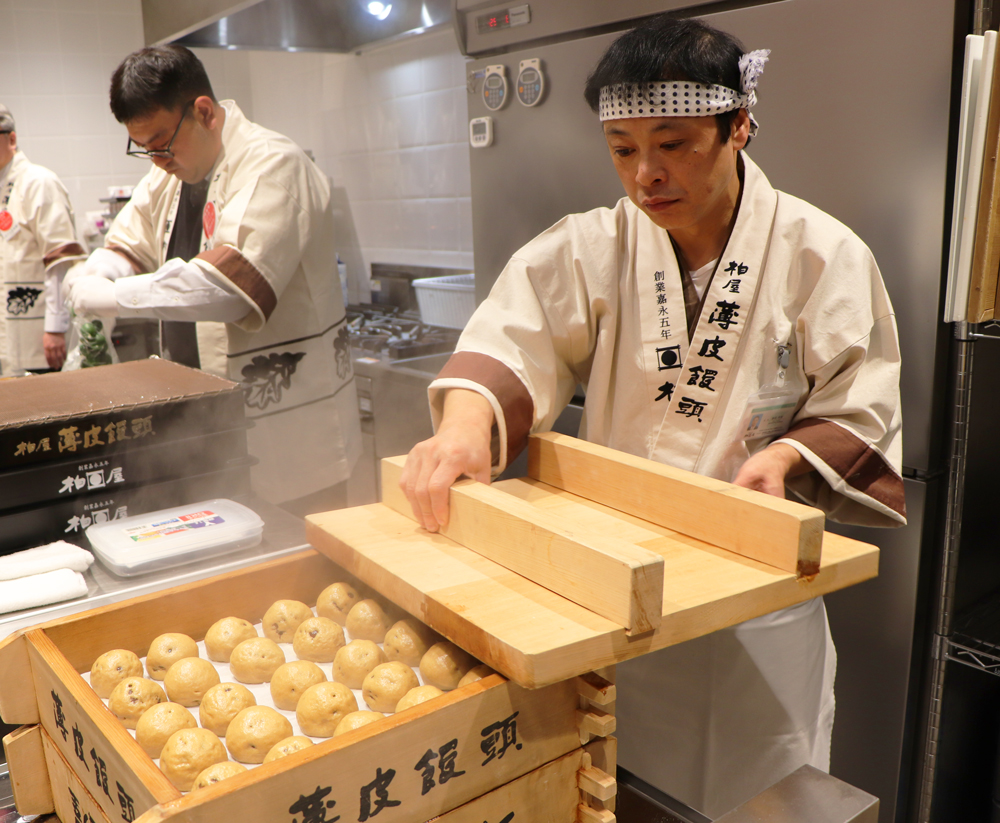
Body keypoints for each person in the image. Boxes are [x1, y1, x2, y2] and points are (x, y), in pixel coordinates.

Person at [400, 15, 906, 817]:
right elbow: (512, 332)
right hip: (614, 594)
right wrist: (463, 424)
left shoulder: (822, 253)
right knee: (618, 787)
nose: (646, 175)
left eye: (673, 144)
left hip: (755, 607)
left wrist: (786, 459)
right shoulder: (594, 246)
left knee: (763, 798)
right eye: (624, 148)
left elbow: (859, 398)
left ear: (738, 126)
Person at [64, 46, 360, 514]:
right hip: (203, 431)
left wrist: (114, 295)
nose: (155, 159)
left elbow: (227, 289)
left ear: (203, 112)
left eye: (161, 143)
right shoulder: (172, 173)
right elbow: (128, 242)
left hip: (290, 440)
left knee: (298, 570)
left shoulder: (272, 164)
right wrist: (99, 272)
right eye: (143, 147)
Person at [0, 104, 86, 375]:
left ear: (11, 139)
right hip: (7, 334)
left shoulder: (38, 182)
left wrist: (55, 328)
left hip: (40, 335)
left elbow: (60, 261)